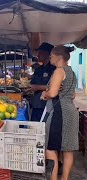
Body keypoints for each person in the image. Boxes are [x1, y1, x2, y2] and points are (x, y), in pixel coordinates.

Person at [40, 45, 78, 180]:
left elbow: (53, 93)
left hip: (59, 112)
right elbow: (72, 95)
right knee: (68, 148)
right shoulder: (71, 72)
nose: (50, 57)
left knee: (50, 146)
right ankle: (64, 178)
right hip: (71, 111)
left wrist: (45, 93)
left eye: (51, 55)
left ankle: (54, 178)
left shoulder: (59, 71)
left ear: (58, 57)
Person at [29, 42, 56, 121]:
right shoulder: (38, 69)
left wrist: (38, 87)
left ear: (47, 54)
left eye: (40, 53)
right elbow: (33, 83)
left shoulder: (54, 69)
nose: (37, 55)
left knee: (44, 128)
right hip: (36, 104)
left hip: (47, 105)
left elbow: (56, 87)